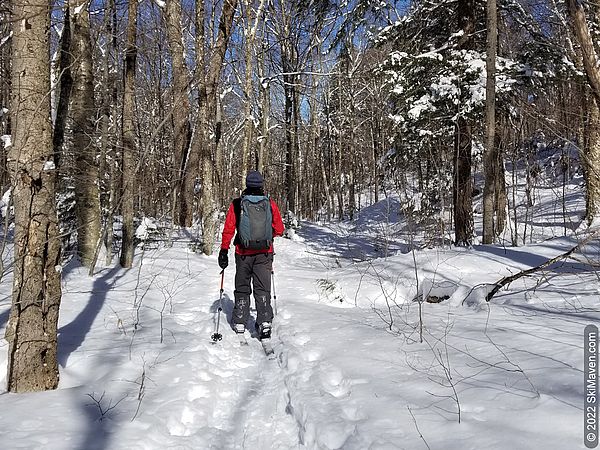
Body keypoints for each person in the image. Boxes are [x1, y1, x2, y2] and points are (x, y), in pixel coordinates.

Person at [218, 170, 284, 339]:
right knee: (262, 288)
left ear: (246, 185)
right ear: (261, 185)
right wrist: (266, 237)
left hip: (243, 253)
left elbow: (228, 229)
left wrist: (224, 250)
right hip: (264, 253)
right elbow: (279, 229)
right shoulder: (269, 203)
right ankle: (265, 322)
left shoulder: (237, 204)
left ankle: (240, 321)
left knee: (243, 286)